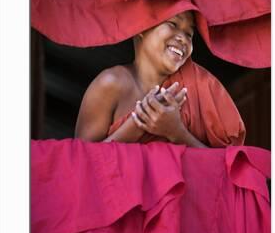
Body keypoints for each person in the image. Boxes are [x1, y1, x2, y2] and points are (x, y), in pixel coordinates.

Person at [75, 10, 245, 147]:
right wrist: (136, 125)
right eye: (173, 24)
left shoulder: (196, 87)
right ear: (142, 27)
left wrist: (177, 133)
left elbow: (222, 173)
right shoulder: (111, 84)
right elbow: (80, 167)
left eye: (189, 34)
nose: (182, 38)